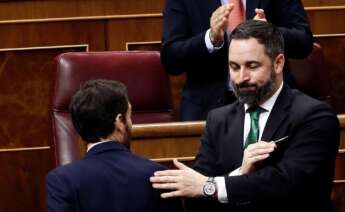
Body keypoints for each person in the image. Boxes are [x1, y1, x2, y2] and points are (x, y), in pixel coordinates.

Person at [151, 20, 339, 212]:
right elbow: (197, 195)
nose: (241, 78)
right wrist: (239, 173)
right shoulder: (218, 120)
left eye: (252, 66)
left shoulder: (314, 116)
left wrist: (213, 186)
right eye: (234, 67)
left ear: (278, 63)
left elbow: (287, 182)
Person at [161, 0, 314, 121]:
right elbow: (171, 59)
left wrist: (269, 32)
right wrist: (209, 39)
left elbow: (304, 42)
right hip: (207, 107)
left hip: (272, 101)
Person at [46, 79, 181, 212]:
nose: (131, 123)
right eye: (129, 116)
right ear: (119, 122)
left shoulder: (61, 180)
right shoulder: (160, 176)